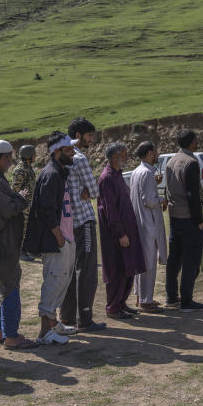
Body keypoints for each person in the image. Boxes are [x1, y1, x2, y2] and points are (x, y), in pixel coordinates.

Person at [0, 139, 35, 350]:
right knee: (9, 285)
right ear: (3, 158)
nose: (11, 162)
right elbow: (8, 209)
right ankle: (11, 335)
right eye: (9, 158)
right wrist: (21, 199)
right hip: (1, 244)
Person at [25, 133, 77, 343]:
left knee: (62, 281)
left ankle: (53, 325)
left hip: (64, 237)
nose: (72, 153)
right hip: (57, 240)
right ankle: (44, 332)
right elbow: (45, 210)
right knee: (54, 281)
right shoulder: (51, 174)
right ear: (56, 152)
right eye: (68, 150)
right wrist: (59, 237)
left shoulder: (59, 172)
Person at [60, 118, 106, 333]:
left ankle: (68, 317)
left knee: (71, 270)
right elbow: (95, 192)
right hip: (83, 219)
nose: (91, 140)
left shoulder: (62, 156)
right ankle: (84, 318)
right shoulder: (79, 159)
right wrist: (90, 190)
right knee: (86, 271)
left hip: (68, 222)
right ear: (78, 136)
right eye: (89, 136)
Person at [98, 143, 148, 319]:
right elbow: (110, 210)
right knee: (117, 270)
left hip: (128, 231)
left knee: (128, 268)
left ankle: (121, 303)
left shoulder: (117, 175)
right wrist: (120, 233)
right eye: (124, 155)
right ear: (114, 157)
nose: (127, 158)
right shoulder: (107, 179)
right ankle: (113, 307)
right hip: (116, 236)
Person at [164, 129, 203, 312]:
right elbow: (192, 195)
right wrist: (199, 220)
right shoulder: (190, 162)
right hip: (189, 217)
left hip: (174, 216)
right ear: (191, 142)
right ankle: (187, 300)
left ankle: (172, 296)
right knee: (191, 259)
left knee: (174, 258)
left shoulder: (171, 160)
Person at [130, 141, 168, 312]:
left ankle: (142, 297)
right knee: (149, 263)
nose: (158, 153)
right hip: (148, 224)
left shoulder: (138, 172)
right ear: (150, 153)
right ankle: (146, 300)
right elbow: (150, 200)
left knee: (143, 262)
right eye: (156, 151)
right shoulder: (146, 173)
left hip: (140, 222)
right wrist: (162, 199)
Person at [12, 145, 38, 262]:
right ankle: (21, 252)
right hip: (23, 205)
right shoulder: (20, 170)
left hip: (29, 204)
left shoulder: (28, 168)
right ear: (28, 156)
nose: (35, 157)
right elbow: (15, 189)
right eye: (34, 155)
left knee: (29, 228)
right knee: (23, 228)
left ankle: (28, 249)